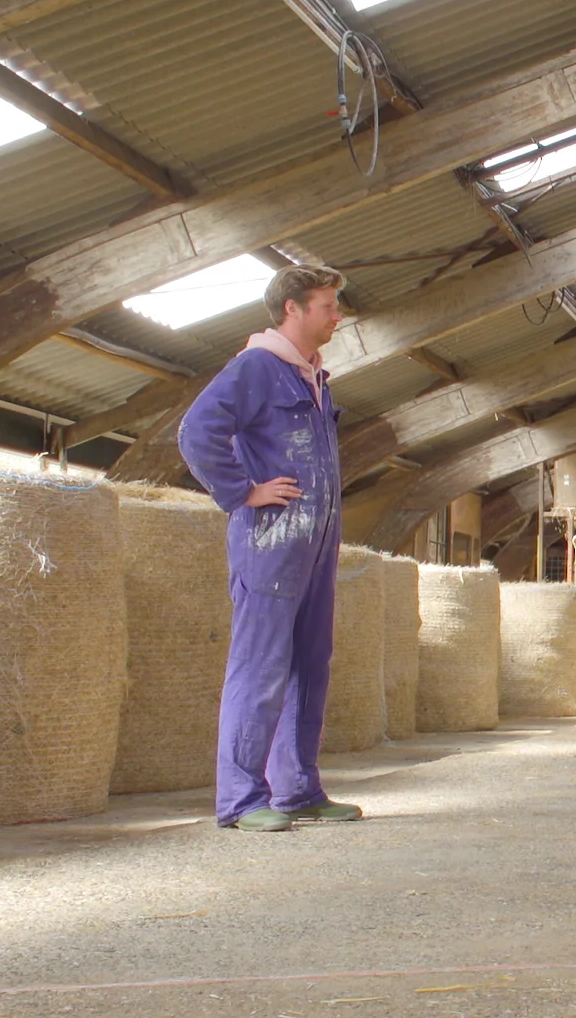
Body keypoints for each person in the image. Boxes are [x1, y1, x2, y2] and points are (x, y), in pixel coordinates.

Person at [179, 264, 363, 833]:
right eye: (328, 305)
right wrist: (243, 492)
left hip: (314, 544)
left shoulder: (312, 377)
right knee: (259, 667)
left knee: (310, 664)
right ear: (293, 308)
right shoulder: (257, 367)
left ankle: (298, 789)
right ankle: (239, 798)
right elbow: (196, 431)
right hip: (270, 542)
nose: (337, 315)